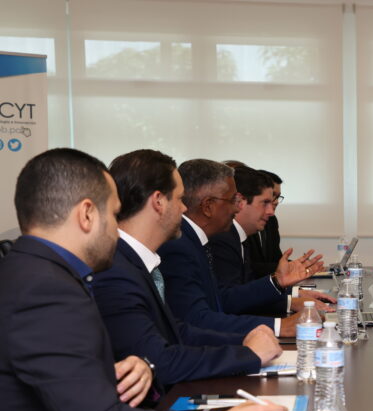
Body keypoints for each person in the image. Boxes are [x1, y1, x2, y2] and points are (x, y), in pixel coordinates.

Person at [0, 148, 287, 411]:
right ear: (85, 215)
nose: (119, 230)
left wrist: (140, 368)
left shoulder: (35, 274)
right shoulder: (47, 291)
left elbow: (64, 388)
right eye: (114, 215)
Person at [92, 149, 284, 390]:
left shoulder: (134, 260)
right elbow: (160, 360)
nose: (184, 209)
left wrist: (245, 340)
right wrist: (248, 354)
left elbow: (175, 330)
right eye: (180, 199)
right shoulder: (115, 271)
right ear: (159, 201)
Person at [156, 160, 320, 336]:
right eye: (233, 199)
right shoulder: (179, 246)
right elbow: (198, 319)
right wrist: (279, 326)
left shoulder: (197, 239)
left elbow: (221, 301)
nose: (237, 207)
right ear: (208, 206)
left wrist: (279, 285)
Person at [208, 166, 333, 317]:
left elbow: (247, 289)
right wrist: (282, 320)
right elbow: (227, 302)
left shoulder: (239, 236)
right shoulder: (223, 238)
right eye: (265, 203)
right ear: (240, 202)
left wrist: (291, 296)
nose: (271, 211)